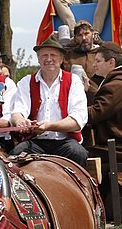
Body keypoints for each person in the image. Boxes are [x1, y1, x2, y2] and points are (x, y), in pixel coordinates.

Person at [10, 35, 88, 167]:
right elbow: (17, 112)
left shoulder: (74, 81)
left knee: (78, 153)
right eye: (44, 55)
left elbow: (76, 120)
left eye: (53, 55)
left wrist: (49, 126)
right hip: (36, 142)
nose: (49, 59)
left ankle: (78, 187)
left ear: (61, 59)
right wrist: (21, 121)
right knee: (16, 154)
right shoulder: (26, 82)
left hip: (65, 142)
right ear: (38, 59)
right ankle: (20, 188)